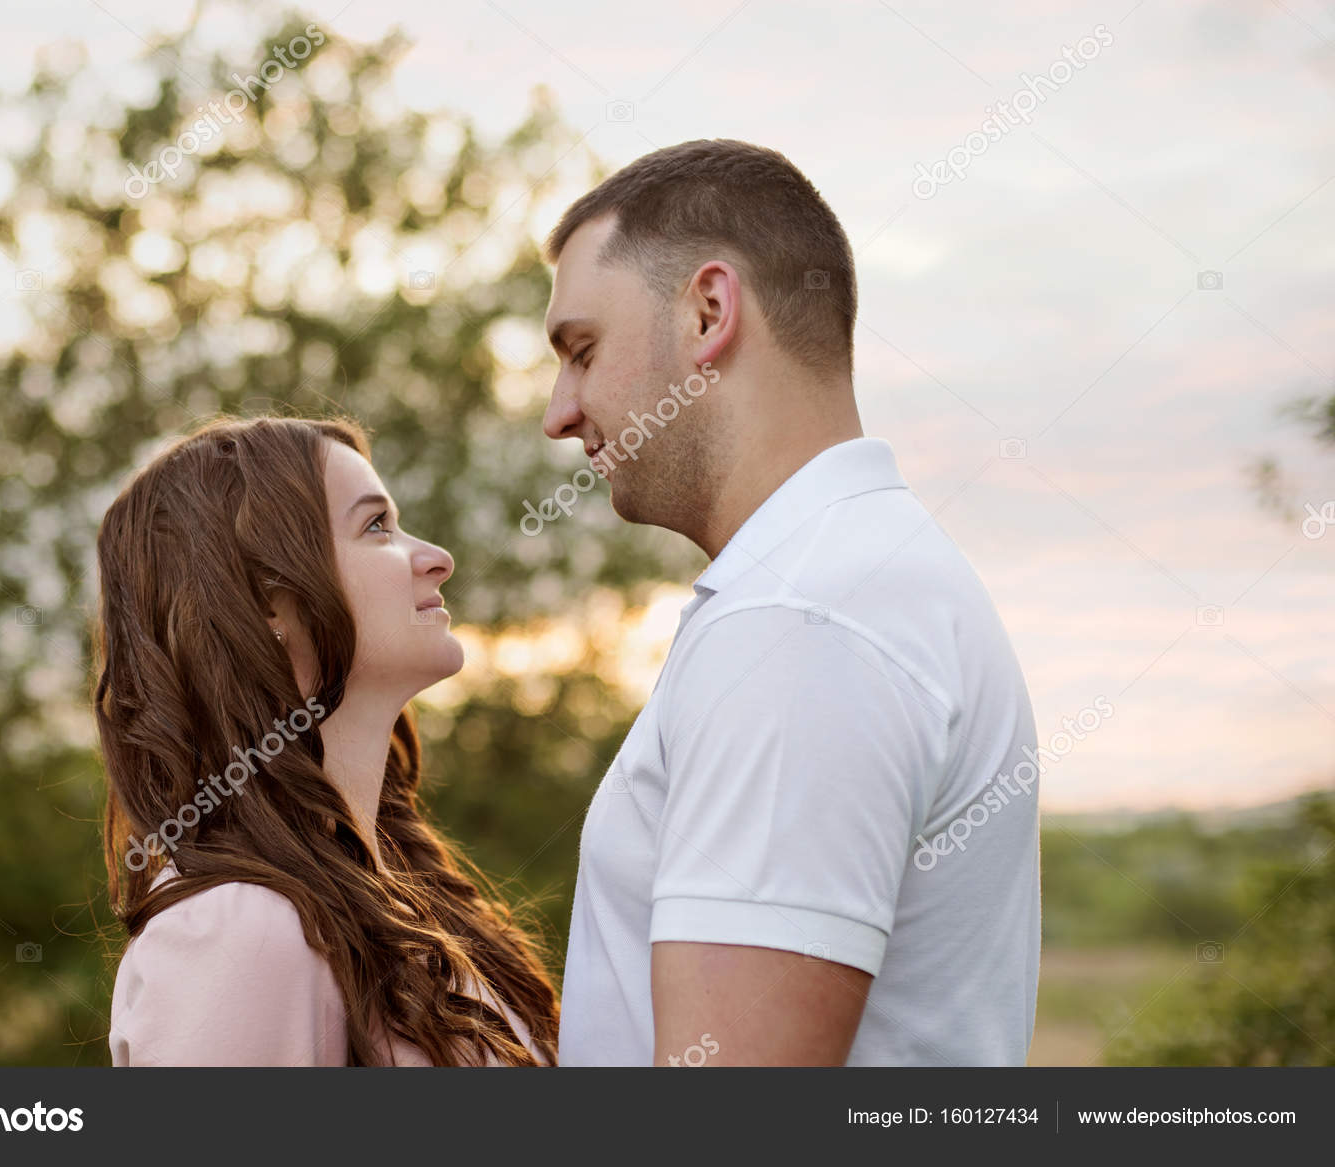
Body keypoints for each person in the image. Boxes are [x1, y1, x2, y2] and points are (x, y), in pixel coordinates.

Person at [540, 139, 1040, 1065]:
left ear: (708, 311)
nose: (559, 411)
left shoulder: (802, 619)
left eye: (582, 349)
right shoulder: (848, 579)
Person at [97, 415, 558, 1065]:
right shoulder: (247, 927)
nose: (436, 557)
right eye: (377, 526)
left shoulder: (402, 895)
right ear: (267, 603)